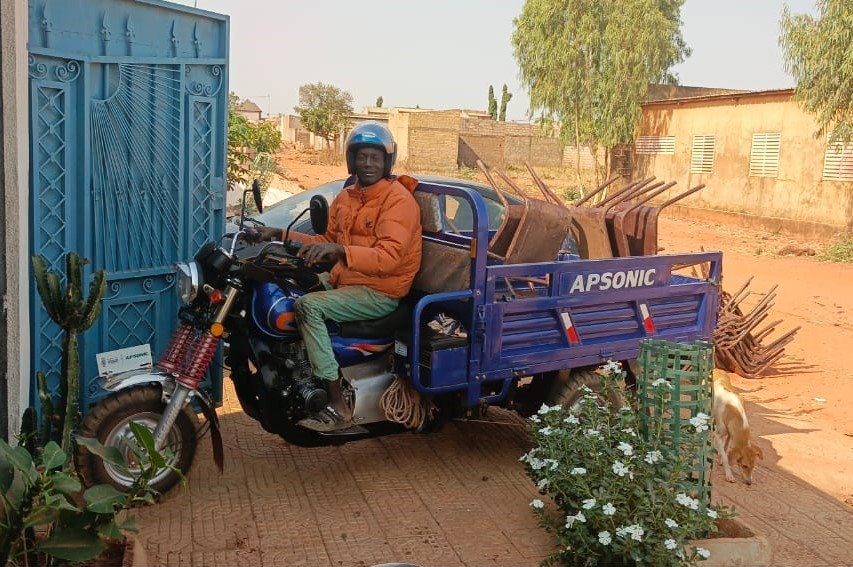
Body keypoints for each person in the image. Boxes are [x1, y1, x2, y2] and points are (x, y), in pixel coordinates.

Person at [258, 122, 422, 431]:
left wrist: (341, 253)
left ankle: (336, 399)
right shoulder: (348, 196)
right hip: (348, 280)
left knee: (309, 306)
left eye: (374, 157)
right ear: (352, 159)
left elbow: (389, 257)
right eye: (362, 156)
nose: (367, 163)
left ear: (387, 161)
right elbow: (326, 241)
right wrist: (279, 235)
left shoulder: (398, 200)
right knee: (283, 287)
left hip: (381, 291)